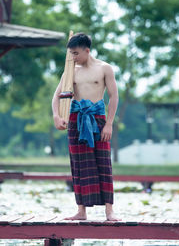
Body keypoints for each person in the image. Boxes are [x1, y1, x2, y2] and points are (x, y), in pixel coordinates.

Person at [52, 33, 120, 221]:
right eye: (71, 54)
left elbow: (114, 96)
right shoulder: (70, 71)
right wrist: (57, 116)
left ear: (87, 50)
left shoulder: (105, 68)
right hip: (76, 120)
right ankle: (81, 211)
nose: (73, 57)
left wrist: (109, 124)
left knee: (104, 163)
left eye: (75, 53)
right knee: (78, 165)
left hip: (98, 119)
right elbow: (57, 96)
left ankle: (109, 210)